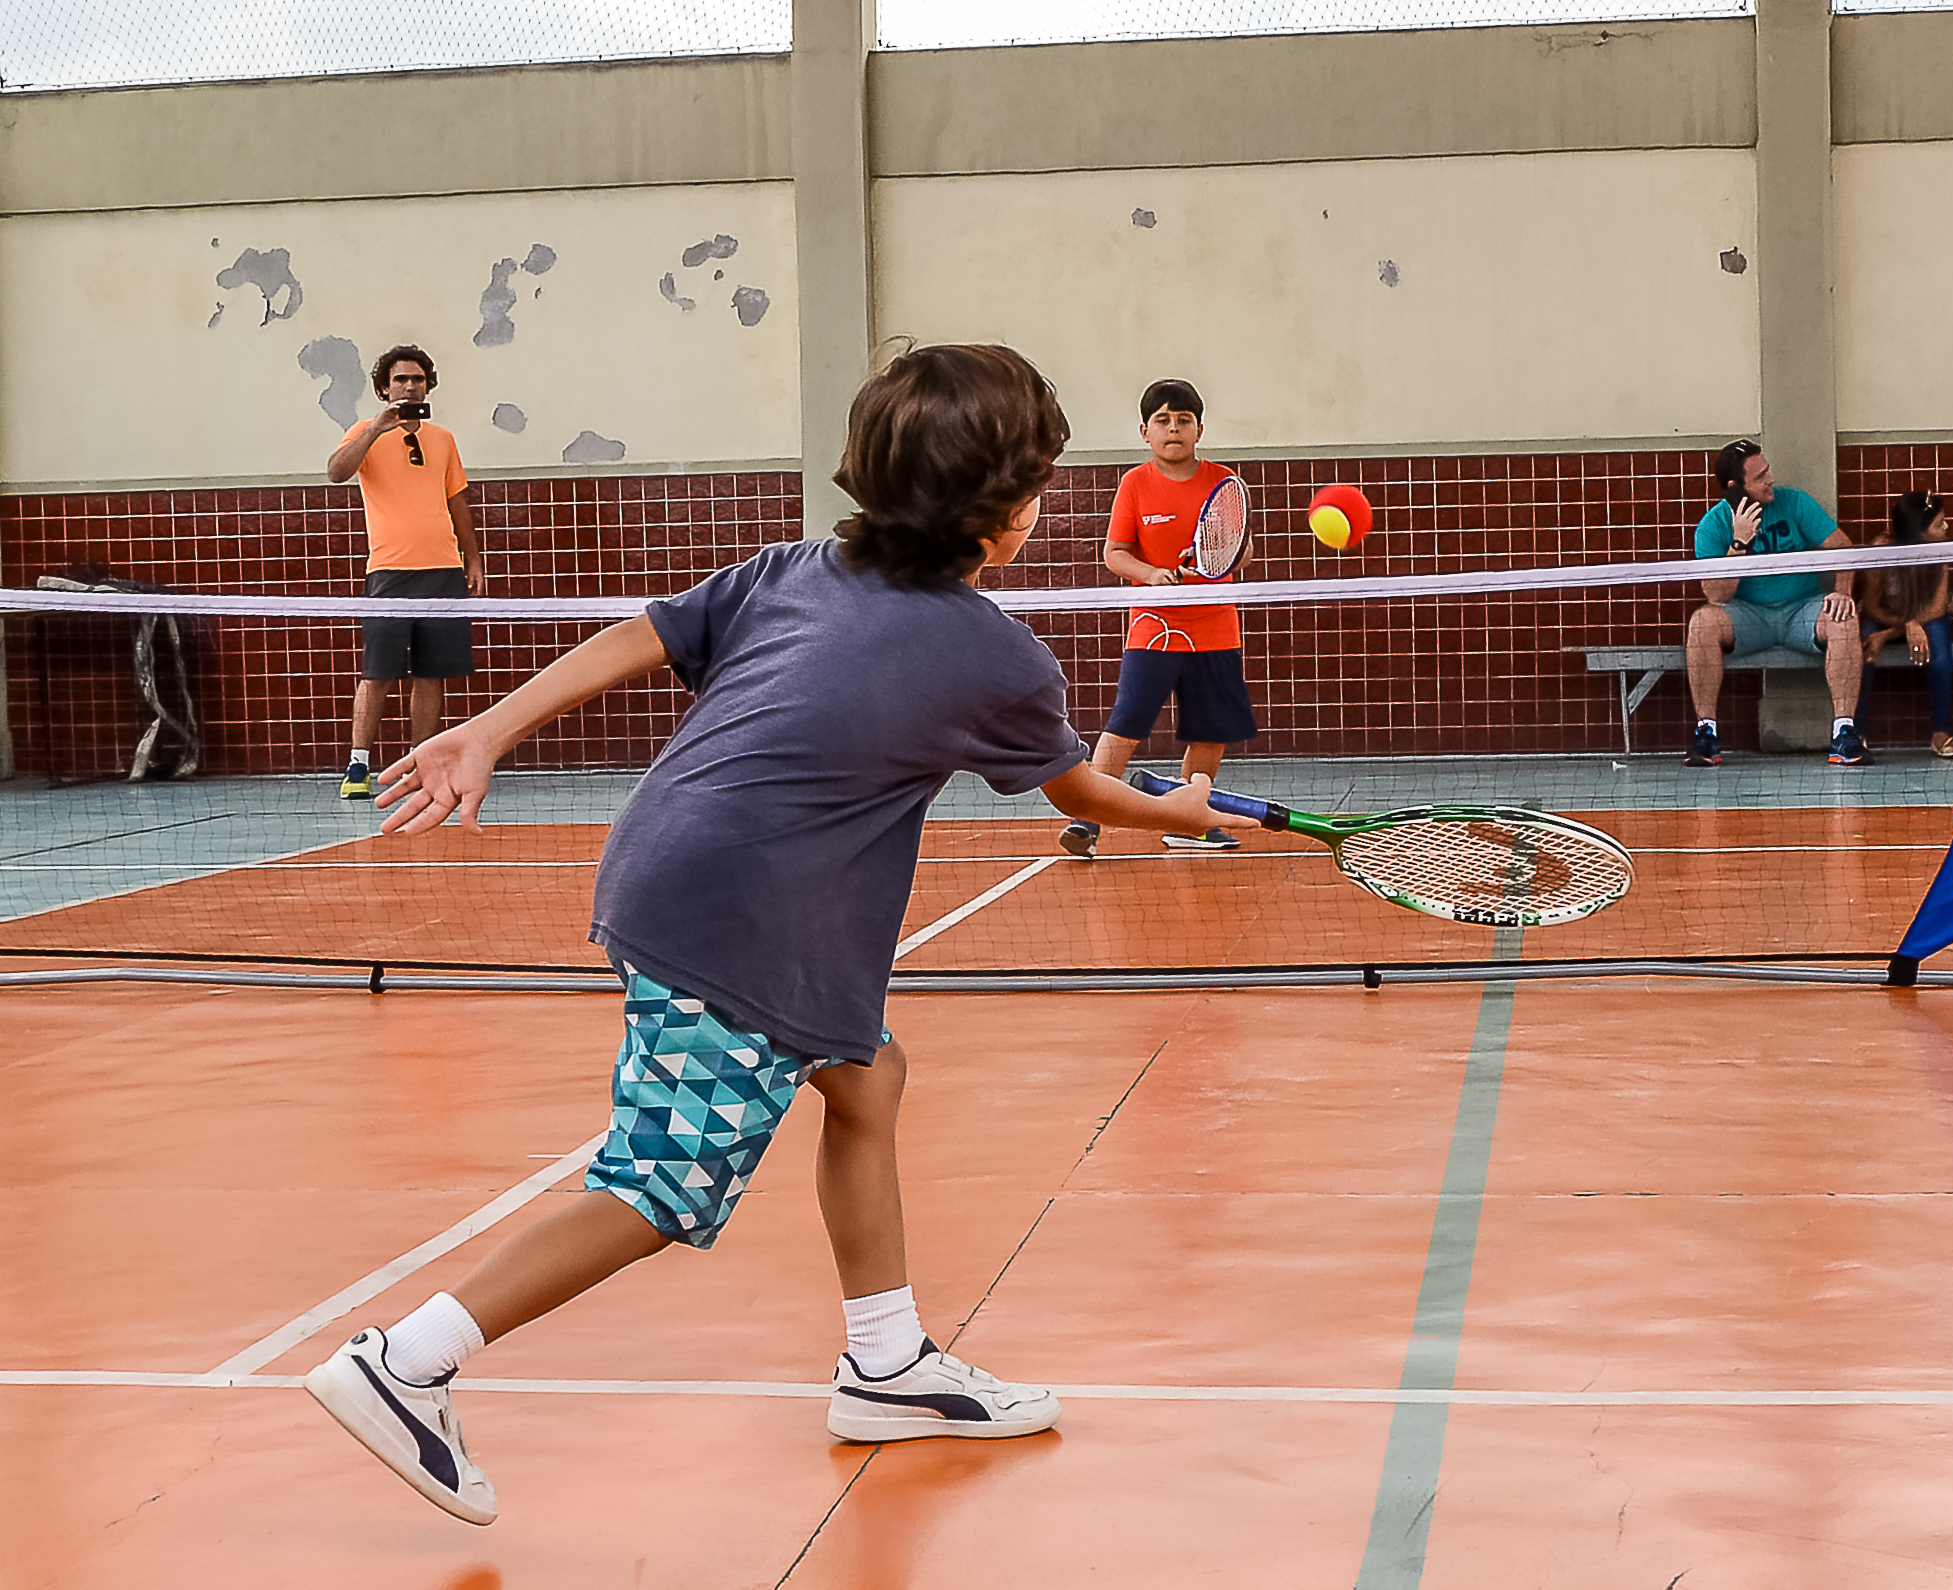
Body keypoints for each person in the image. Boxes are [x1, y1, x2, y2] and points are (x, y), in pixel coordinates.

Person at [303, 344, 1244, 1525]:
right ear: (1000, 514)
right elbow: (1079, 792)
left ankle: (887, 1365)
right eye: (1039, 484)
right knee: (660, 1185)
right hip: (739, 920)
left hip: (677, 867)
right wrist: (1179, 809)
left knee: (865, 1073)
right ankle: (407, 1363)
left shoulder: (796, 567)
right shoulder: (997, 656)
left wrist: (489, 728)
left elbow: (638, 636)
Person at [1058, 378, 1257, 857]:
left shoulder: (1223, 482)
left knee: (1210, 730)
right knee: (1128, 721)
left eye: (1184, 420)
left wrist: (1221, 553)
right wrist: (1150, 575)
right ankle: (1087, 819)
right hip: (1155, 628)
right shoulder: (1135, 483)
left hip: (1215, 626)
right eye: (1163, 420)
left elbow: (1242, 552)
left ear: (1199, 430)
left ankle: (1189, 822)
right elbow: (1114, 553)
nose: (1174, 429)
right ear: (1145, 431)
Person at [327, 344, 485, 799]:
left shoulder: (443, 439)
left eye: (417, 379)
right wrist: (376, 429)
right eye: (400, 379)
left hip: (442, 572)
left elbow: (457, 500)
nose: (410, 387)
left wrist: (473, 559)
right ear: (384, 388)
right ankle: (358, 765)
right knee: (378, 672)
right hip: (389, 573)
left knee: (430, 674)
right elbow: (337, 472)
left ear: (427, 386)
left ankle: (420, 764)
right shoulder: (365, 432)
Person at [1683, 439, 1868, 767]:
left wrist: (1842, 592)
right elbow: (1717, 596)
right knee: (1701, 623)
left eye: (1767, 471)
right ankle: (1706, 733)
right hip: (1748, 616)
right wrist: (1739, 542)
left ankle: (1844, 733)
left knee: (1844, 619)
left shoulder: (1794, 502)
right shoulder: (1712, 526)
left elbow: (1843, 548)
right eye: (1760, 477)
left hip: (1802, 610)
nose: (1770, 480)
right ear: (1735, 488)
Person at [1857, 490, 1953, 759]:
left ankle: (1941, 733)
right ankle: (1857, 734)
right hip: (1884, 617)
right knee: (1863, 649)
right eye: (1939, 523)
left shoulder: (1940, 550)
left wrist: (1904, 627)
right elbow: (1871, 606)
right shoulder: (1882, 549)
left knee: (1941, 654)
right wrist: (1903, 625)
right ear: (1919, 532)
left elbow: (1938, 607)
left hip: (1924, 619)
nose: (1946, 527)